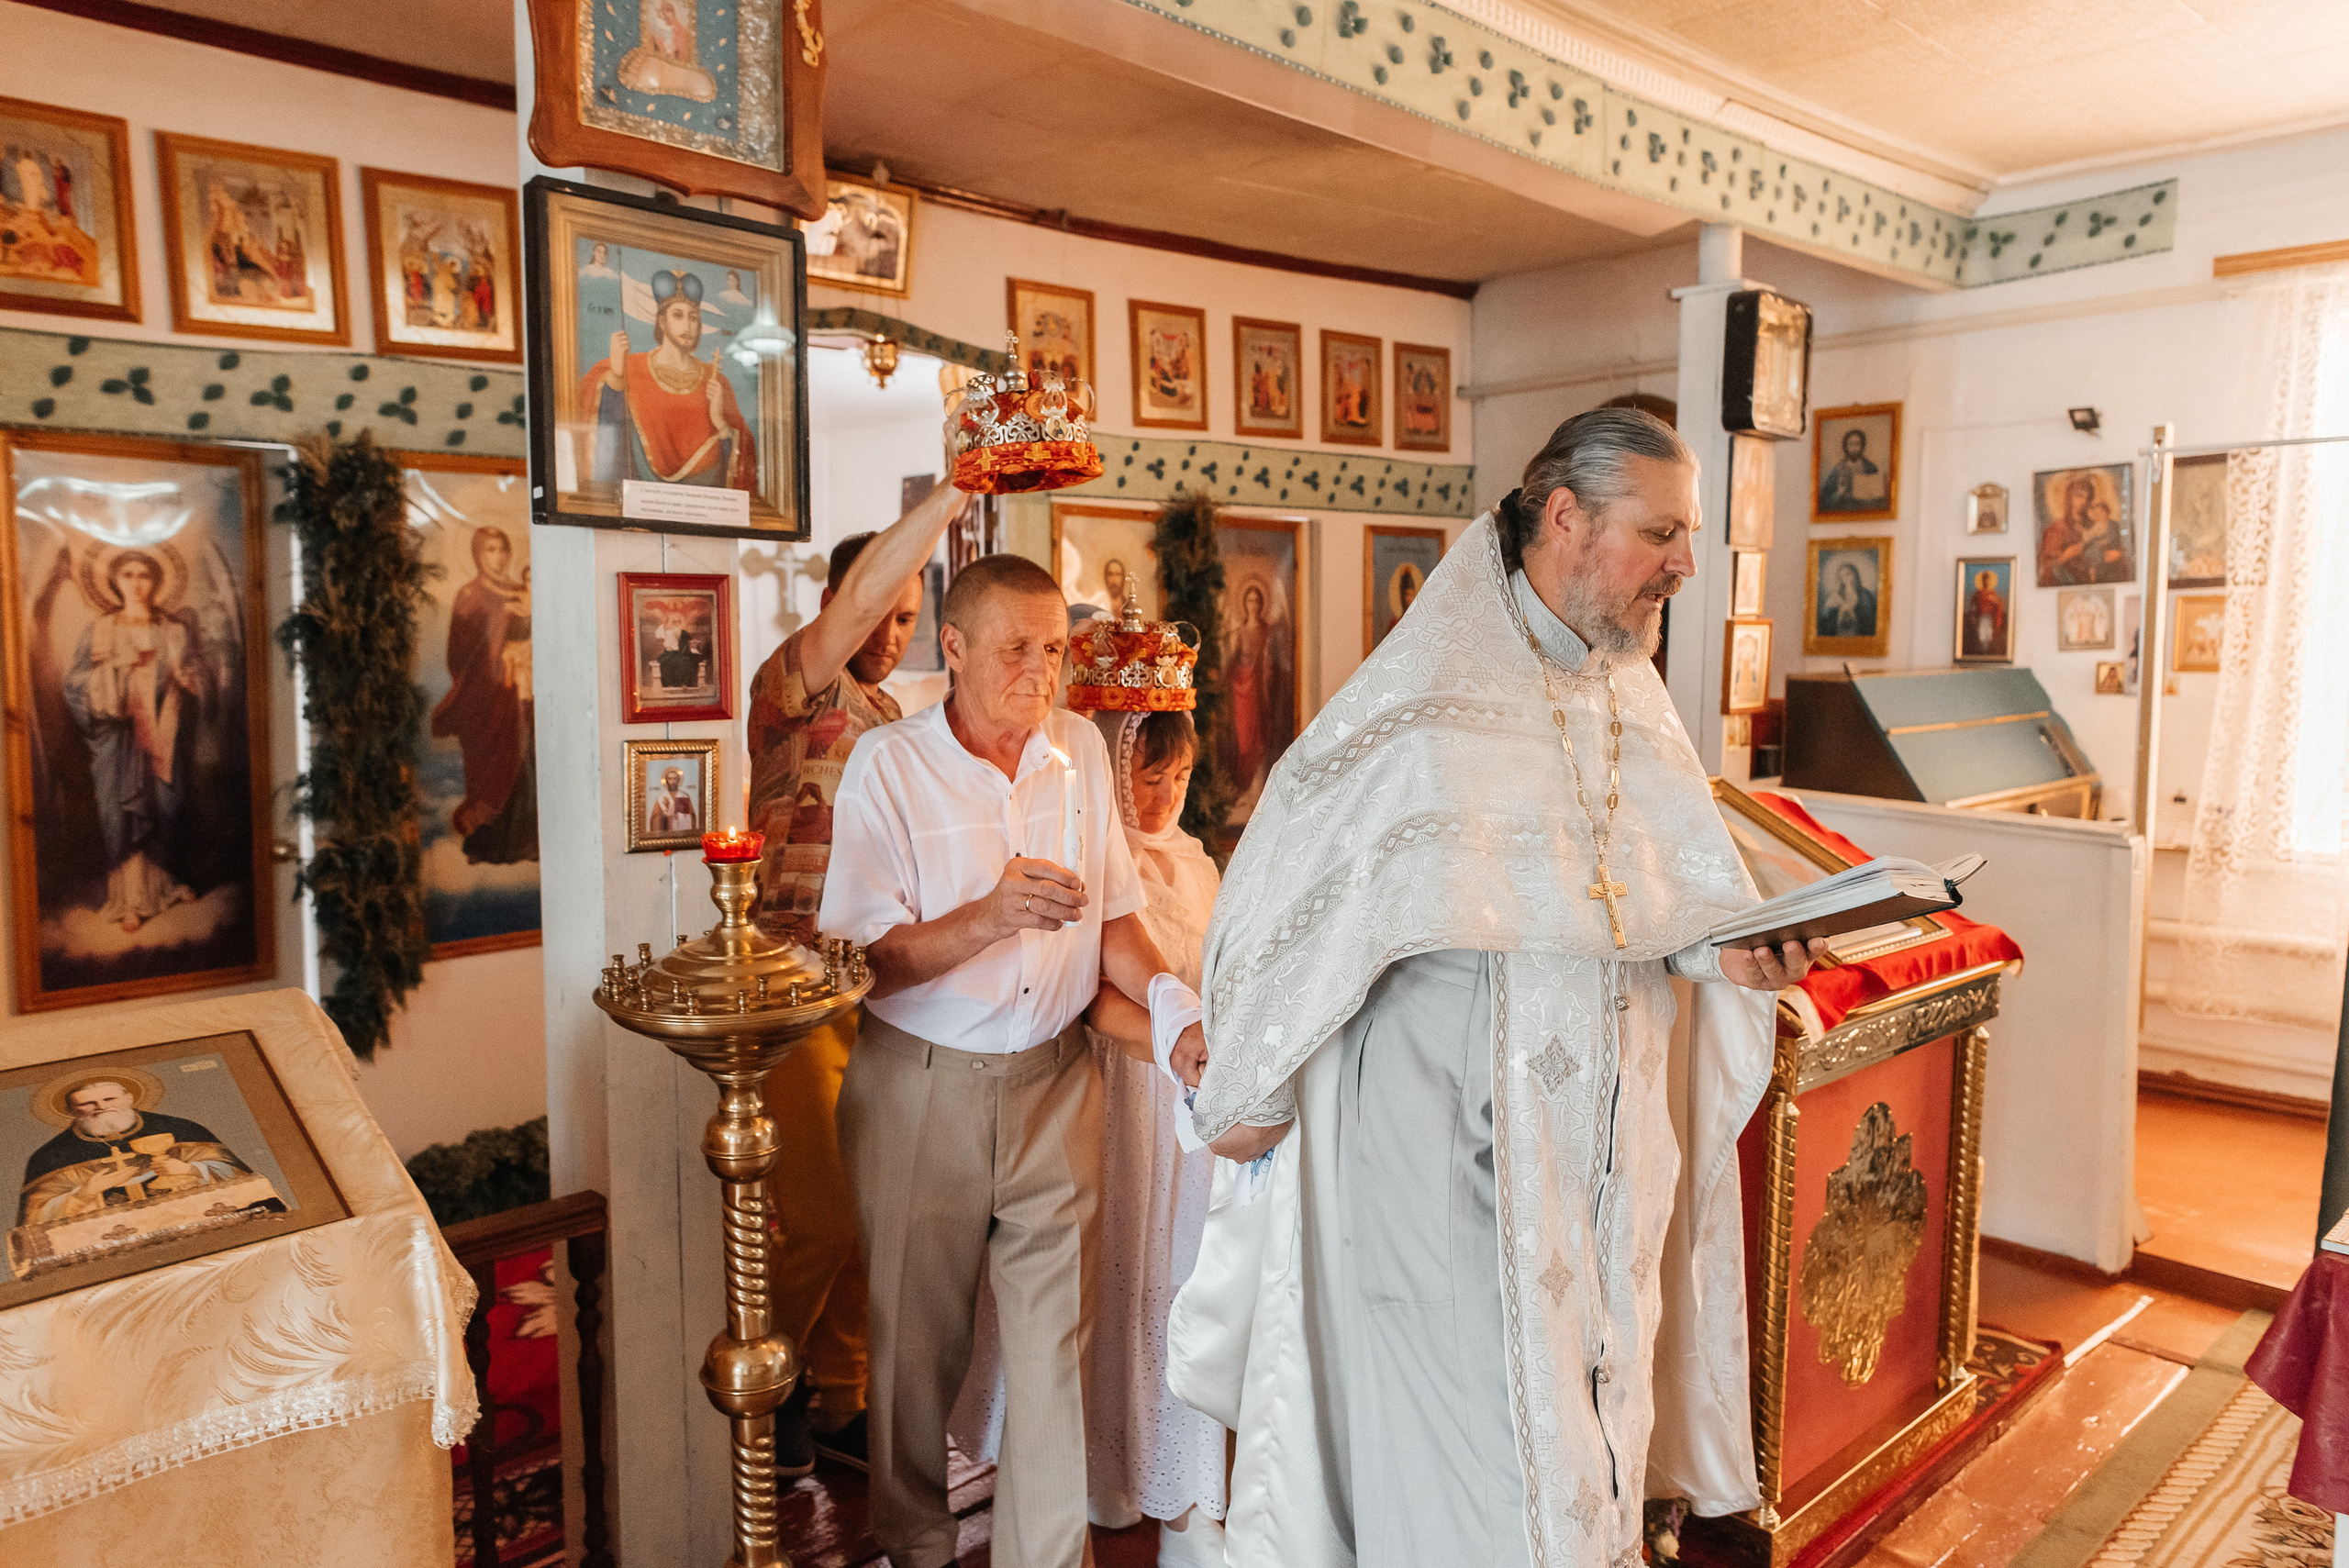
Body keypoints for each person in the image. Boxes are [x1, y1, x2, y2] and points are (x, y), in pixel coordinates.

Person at [1172, 407, 1825, 1568]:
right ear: (1564, 518)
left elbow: (1641, 898)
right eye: (1660, 532)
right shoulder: (1420, 705)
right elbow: (1292, 896)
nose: (1685, 563)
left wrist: (1726, 950)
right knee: (1485, 1491)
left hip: (1597, 1175)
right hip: (1447, 1177)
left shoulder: (1625, 691)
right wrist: (1246, 1082)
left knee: (1585, 1459)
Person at [821, 554, 1206, 1568]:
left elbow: (1117, 913)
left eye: (1053, 649)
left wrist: (1173, 1003)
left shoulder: (1078, 747)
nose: (1041, 672)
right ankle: (913, 1544)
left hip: (1056, 1082)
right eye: (1015, 649)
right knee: (914, 1352)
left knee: (1052, 1360)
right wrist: (986, 917)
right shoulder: (890, 766)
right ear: (950, 648)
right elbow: (866, 959)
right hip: (920, 1087)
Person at [742, 478, 968, 1476]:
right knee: (823, 1216)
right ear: (843, 606)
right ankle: (773, 1380)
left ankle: (842, 1394)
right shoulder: (798, 691)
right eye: (881, 610)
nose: (892, 632)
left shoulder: (892, 715)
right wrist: (951, 491)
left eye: (910, 619)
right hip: (786, 985)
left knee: (876, 1213)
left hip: (869, 983)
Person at [1078, 704, 1229, 1567]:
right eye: (1149, 774)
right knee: (1120, 1277)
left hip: (1188, 1101)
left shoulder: (1197, 862)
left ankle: (1180, 1486)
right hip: (1125, 1095)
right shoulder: (1109, 867)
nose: (1169, 791)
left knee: (1181, 1280)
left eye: (1180, 773)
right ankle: (1108, 1470)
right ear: (1112, 770)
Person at [62, 550, 207, 933]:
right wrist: (116, 682)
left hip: (164, 729)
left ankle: (167, 885)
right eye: (128, 575)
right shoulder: (101, 630)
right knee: (122, 812)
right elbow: (74, 685)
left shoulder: (172, 630)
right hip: (118, 736)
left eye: (145, 575)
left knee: (167, 806)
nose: (137, 582)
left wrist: (191, 681)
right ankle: (129, 900)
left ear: (156, 582)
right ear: (115, 581)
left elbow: (194, 675)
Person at [578, 270, 755, 491]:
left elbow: (743, 462)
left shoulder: (717, 382)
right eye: (678, 315)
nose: (687, 326)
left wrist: (719, 421)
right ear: (662, 321)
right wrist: (615, 378)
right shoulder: (629, 369)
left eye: (693, 317)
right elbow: (601, 438)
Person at [430, 527, 536, 866]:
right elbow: (457, 654)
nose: (499, 557)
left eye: (503, 549)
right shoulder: (469, 595)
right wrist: (490, 664)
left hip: (521, 694)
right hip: (484, 699)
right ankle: (486, 844)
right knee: (488, 767)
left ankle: (525, 842)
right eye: (490, 550)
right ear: (478, 555)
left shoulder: (523, 591)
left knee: (525, 763)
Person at [18, 1078, 259, 1226]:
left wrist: (193, 1169)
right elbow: (35, 1221)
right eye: (87, 1104)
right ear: (71, 1110)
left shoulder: (182, 1129)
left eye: (109, 1098)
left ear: (129, 1099)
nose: (101, 1107)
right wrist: (86, 1192)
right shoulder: (50, 1156)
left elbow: (245, 1181)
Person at [1816, 426, 1885, 513]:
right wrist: (1838, 494)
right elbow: (1824, 498)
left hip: (1865, 514)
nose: (1854, 448)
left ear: (1862, 446)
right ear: (1846, 446)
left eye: (1857, 444)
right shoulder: (1838, 469)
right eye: (1851, 444)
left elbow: (1879, 499)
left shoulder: (1871, 468)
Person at [1815, 559, 1876, 639]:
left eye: (1848, 574)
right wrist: (1829, 607)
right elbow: (1824, 618)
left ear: (1855, 574)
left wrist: (1847, 607)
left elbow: (1869, 619)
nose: (1845, 578)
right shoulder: (1836, 595)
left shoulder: (1865, 594)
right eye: (1842, 576)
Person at [1964, 569, 2006, 658]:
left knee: (1988, 635)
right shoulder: (1978, 594)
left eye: (1988, 580)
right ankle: (1981, 653)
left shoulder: (1992, 593)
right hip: (1980, 618)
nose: (1986, 582)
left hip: (1989, 619)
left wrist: (1995, 601)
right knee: (1981, 635)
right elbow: (1973, 606)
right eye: (1984, 580)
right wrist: (1972, 616)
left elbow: (1998, 606)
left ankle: (1987, 652)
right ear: (1982, 581)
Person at [646, 765, 696, 833]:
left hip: (680, 833)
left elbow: (692, 817)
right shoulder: (661, 797)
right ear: (666, 781)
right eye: (670, 779)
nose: (672, 781)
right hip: (666, 832)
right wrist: (665, 817)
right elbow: (654, 818)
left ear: (678, 780)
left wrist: (680, 816)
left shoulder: (684, 796)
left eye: (675, 779)